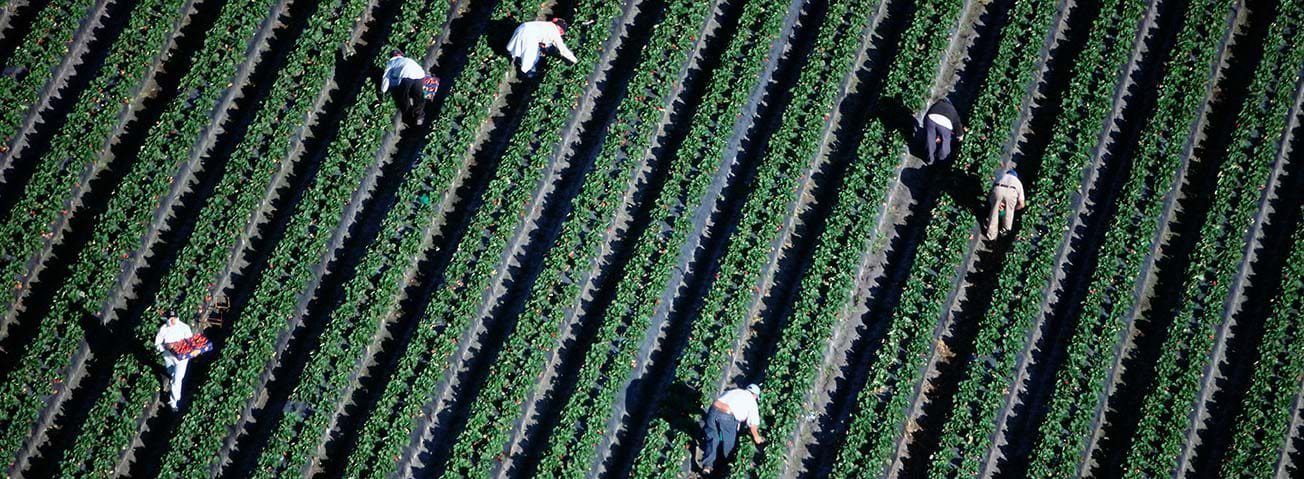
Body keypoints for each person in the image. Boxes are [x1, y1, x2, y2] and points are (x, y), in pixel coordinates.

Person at [699, 384, 764, 474]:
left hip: (713, 410)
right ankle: (725, 468)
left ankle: (707, 466)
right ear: (755, 395)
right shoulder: (752, 402)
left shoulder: (734, 391)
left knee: (713, 438)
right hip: (727, 416)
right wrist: (757, 438)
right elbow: (753, 425)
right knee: (729, 443)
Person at [507, 17, 577, 78]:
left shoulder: (548, 24)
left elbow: (543, 36)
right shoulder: (556, 33)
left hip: (522, 27)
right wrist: (574, 60)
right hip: (529, 36)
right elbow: (563, 50)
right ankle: (526, 73)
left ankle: (516, 59)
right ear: (561, 30)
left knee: (519, 46)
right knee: (530, 56)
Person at [154, 312, 194, 409]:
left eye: (174, 318)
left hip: (182, 359)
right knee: (171, 373)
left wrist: (181, 346)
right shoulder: (163, 329)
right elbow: (157, 344)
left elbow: (191, 343)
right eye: (171, 319)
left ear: (178, 318)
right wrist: (165, 347)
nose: (173, 321)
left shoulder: (185, 328)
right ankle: (173, 380)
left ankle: (174, 402)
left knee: (177, 379)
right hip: (169, 358)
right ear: (167, 319)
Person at [381, 50, 429, 125]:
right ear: (400, 55)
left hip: (406, 76)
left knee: (403, 97)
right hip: (420, 75)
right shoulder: (407, 60)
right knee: (418, 95)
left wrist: (383, 90)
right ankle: (419, 116)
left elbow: (386, 77)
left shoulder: (391, 63)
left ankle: (408, 118)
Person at [986, 168, 1025, 240]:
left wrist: (995, 204)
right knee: (1008, 215)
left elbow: (990, 194)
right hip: (1011, 192)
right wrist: (1013, 209)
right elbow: (1022, 204)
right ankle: (1004, 234)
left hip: (998, 189)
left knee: (993, 213)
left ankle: (991, 236)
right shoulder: (1018, 182)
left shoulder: (1000, 177)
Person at [924, 98, 965, 164]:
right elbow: (957, 124)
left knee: (930, 139)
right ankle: (942, 159)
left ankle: (929, 159)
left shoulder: (935, 105)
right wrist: (960, 136)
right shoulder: (952, 109)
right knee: (945, 140)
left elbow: (926, 116)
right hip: (944, 123)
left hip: (930, 118)